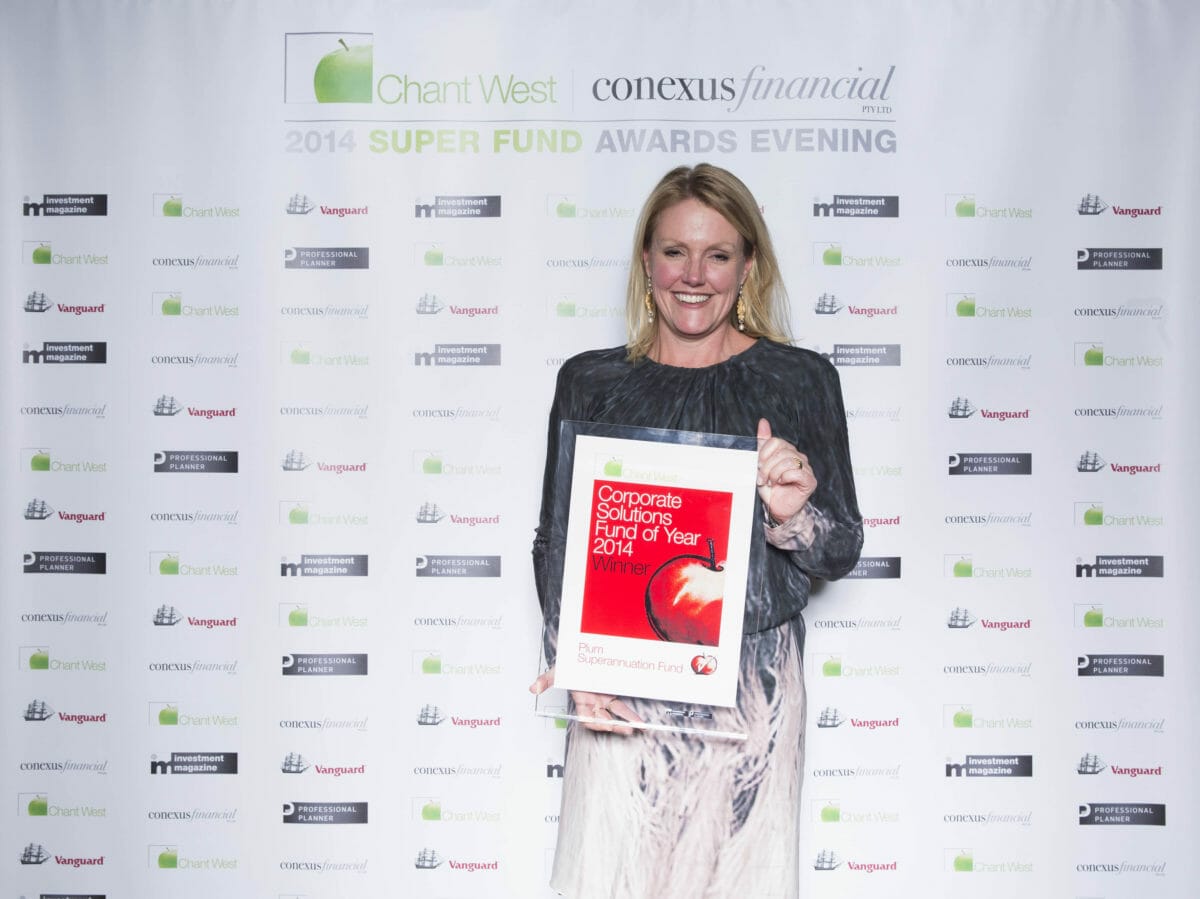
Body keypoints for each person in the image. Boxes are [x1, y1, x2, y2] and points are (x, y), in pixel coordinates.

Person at [530, 163, 863, 898]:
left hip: (753, 694)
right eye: (675, 251)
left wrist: (791, 513)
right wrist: (574, 663)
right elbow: (557, 541)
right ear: (647, 260)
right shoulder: (590, 381)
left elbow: (839, 548)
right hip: (620, 689)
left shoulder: (799, 380)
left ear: (747, 267)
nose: (694, 275)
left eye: (717, 255)